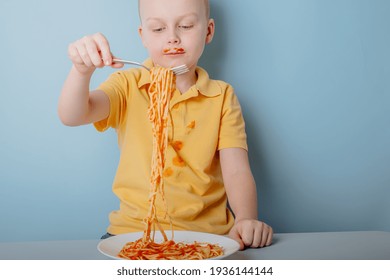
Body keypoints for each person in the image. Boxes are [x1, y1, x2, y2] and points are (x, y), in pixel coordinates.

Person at [58, 0, 273, 250]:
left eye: (185, 25)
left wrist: (246, 219)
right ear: (143, 36)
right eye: (158, 29)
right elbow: (73, 115)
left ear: (208, 31)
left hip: (209, 236)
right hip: (132, 233)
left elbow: (236, 170)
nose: (172, 37)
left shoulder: (222, 96)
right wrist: (81, 71)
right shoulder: (127, 85)